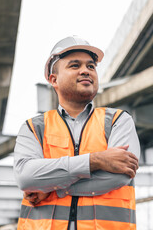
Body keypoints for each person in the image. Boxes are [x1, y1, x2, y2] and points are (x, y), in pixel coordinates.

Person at [14, 36, 140, 230]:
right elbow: (26, 177)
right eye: (74, 65)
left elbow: (120, 176)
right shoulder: (34, 128)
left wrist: (52, 188)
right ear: (53, 79)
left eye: (91, 66)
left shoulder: (118, 121)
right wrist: (95, 160)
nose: (85, 71)